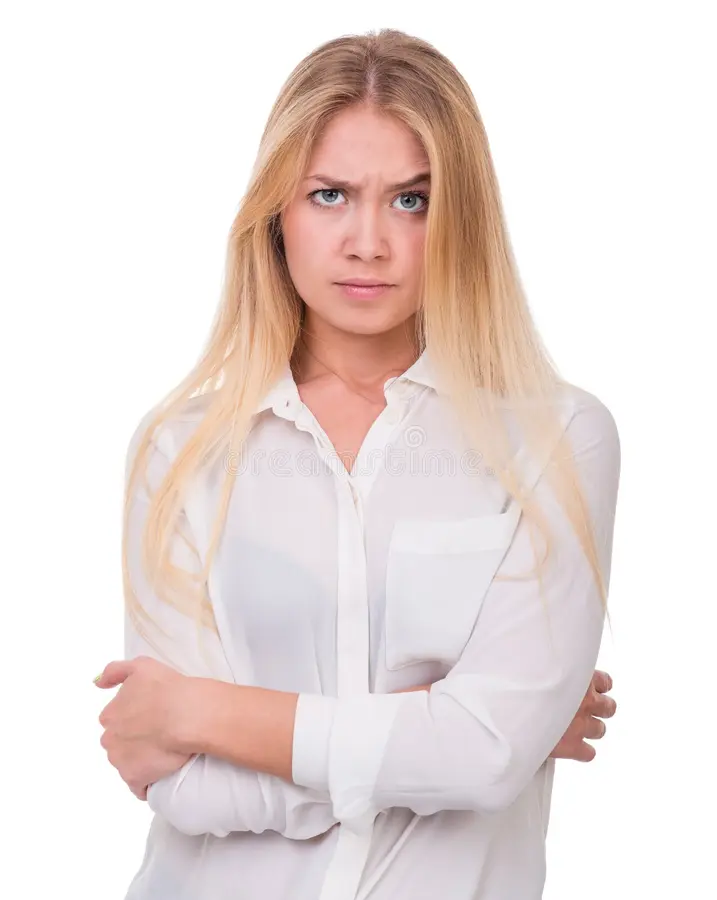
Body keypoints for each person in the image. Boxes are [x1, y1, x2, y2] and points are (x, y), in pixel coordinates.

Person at [95, 27, 621, 900]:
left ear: (462, 218)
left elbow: (486, 760)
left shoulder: (560, 438)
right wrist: (441, 745)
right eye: (330, 194)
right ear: (277, 211)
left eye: (411, 201)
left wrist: (212, 713)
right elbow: (182, 786)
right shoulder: (179, 450)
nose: (367, 241)